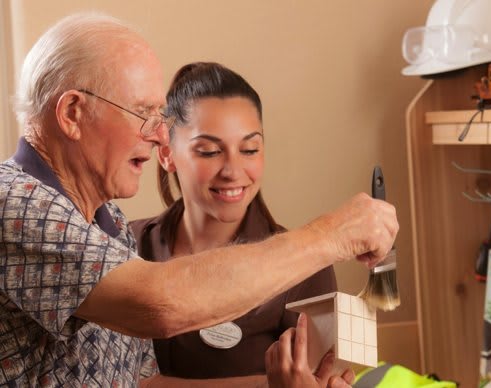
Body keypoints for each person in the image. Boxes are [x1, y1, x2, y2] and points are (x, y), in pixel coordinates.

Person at [0, 12, 398, 387]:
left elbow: (143, 381)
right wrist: (333, 234)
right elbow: (161, 304)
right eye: (142, 113)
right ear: (72, 112)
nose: (158, 136)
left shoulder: (111, 225)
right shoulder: (15, 206)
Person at [130, 62, 338, 381]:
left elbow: (315, 380)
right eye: (211, 151)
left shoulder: (306, 268)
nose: (232, 170)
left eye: (249, 149)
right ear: (167, 154)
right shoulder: (126, 244)